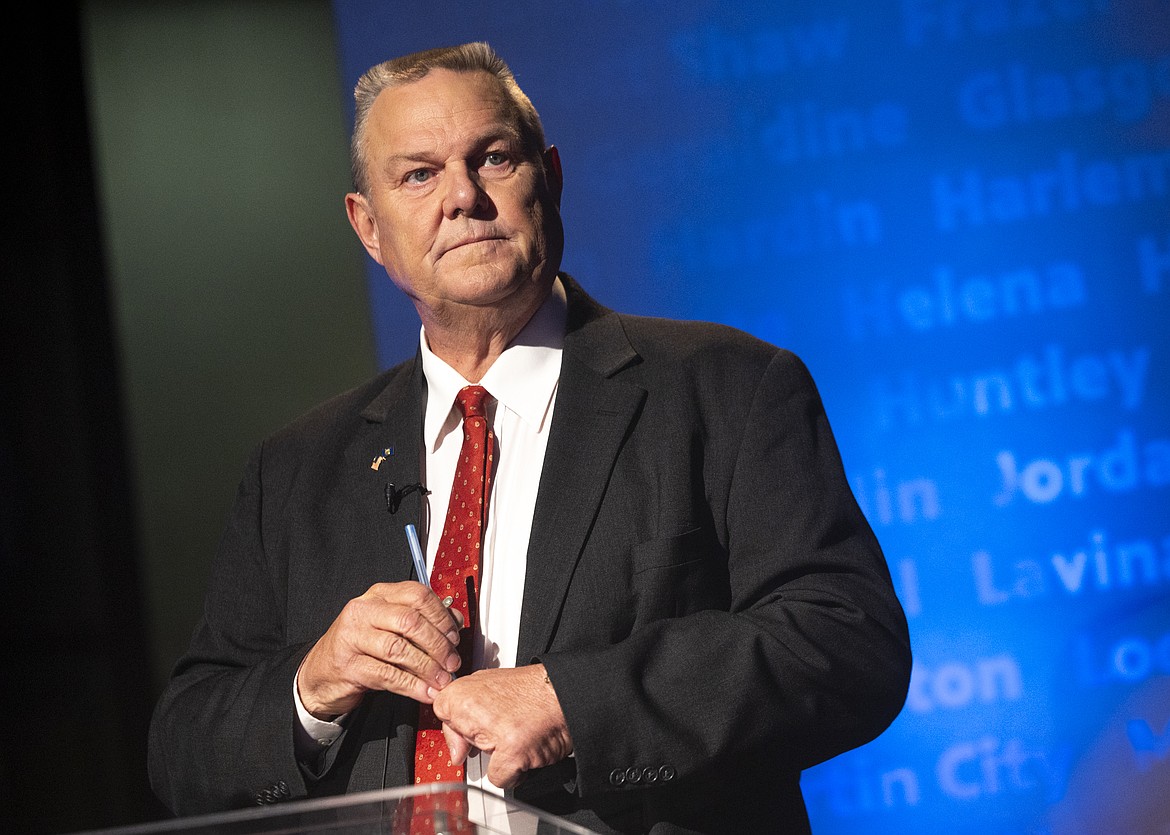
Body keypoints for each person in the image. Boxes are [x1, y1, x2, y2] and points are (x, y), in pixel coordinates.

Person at [148, 42, 912, 834]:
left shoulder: (725, 388)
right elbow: (182, 749)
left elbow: (846, 643)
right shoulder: (297, 470)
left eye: (493, 159)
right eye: (419, 174)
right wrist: (314, 683)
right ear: (368, 228)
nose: (463, 197)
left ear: (549, 175)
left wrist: (571, 702)